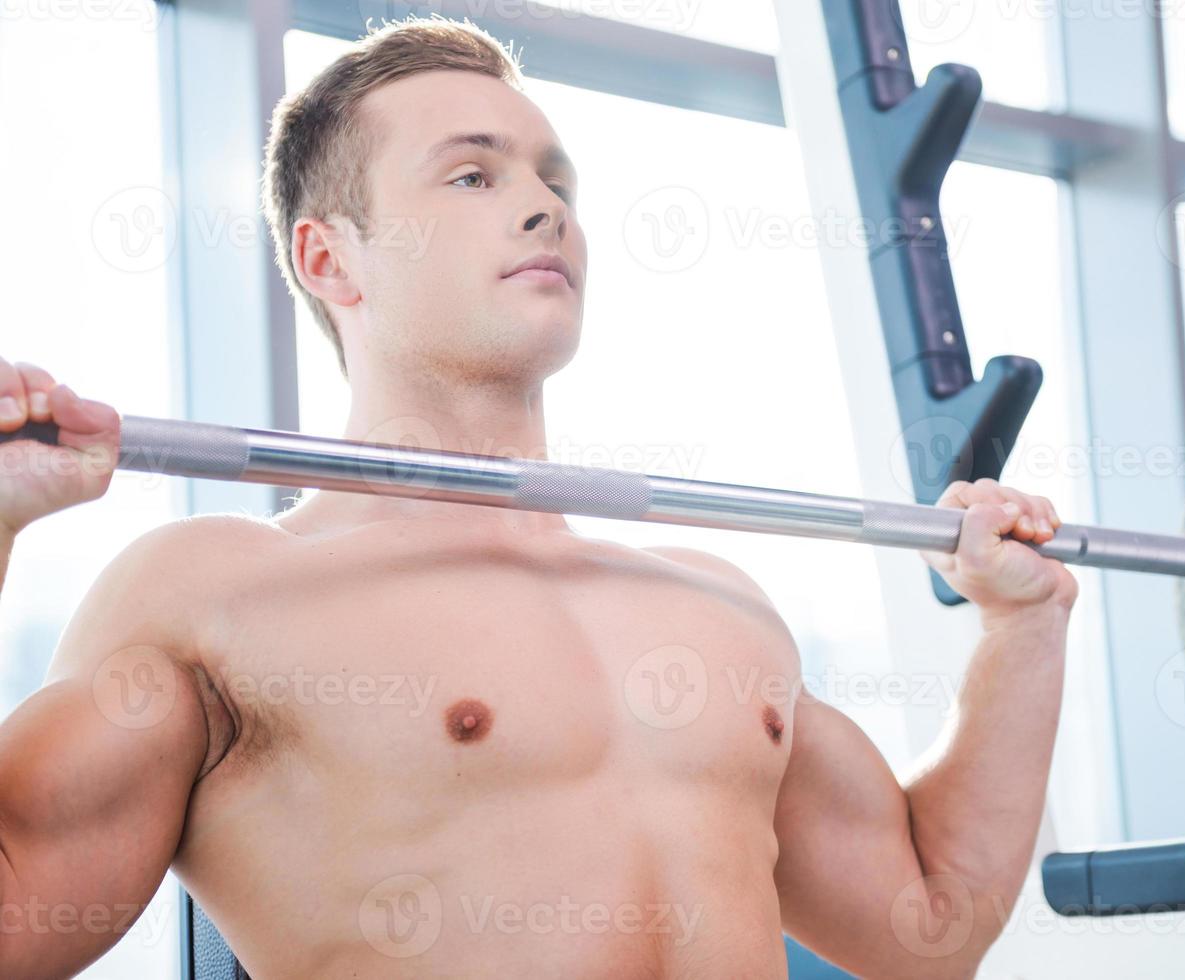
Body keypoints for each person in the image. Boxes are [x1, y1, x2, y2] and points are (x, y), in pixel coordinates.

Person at [0, 17, 1076, 979]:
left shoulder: (716, 607)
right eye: (472, 177)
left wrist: (1020, 628)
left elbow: (928, 928)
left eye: (553, 182)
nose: (541, 208)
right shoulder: (215, 593)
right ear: (330, 258)